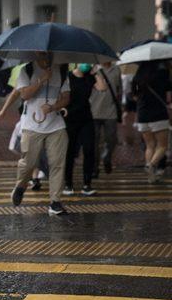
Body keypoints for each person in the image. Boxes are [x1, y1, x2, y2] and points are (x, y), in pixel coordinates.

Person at [11, 52, 70, 216]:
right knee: (29, 163)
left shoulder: (62, 70)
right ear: (36, 53)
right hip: (31, 125)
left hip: (56, 125)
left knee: (57, 163)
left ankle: (55, 202)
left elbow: (66, 97)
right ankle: (21, 185)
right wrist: (42, 79)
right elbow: (24, 95)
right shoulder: (27, 70)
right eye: (41, 52)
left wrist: (52, 107)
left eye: (48, 52)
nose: (45, 55)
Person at [63, 64, 106, 196]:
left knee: (89, 150)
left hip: (86, 119)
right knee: (69, 152)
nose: (86, 64)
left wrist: (96, 72)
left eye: (89, 62)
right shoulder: (68, 77)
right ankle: (68, 184)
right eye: (84, 61)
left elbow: (103, 88)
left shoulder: (90, 77)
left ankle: (87, 185)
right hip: (69, 118)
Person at [132, 61, 172, 183]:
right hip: (158, 114)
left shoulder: (137, 77)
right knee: (162, 146)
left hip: (143, 114)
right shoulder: (163, 73)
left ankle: (151, 177)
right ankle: (151, 165)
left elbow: (134, 97)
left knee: (150, 145)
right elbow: (169, 98)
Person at [90, 62, 122, 177]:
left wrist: (120, 108)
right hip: (93, 111)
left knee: (111, 139)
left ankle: (107, 157)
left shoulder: (117, 69)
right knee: (95, 142)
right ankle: (94, 167)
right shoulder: (92, 69)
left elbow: (119, 90)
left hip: (111, 111)